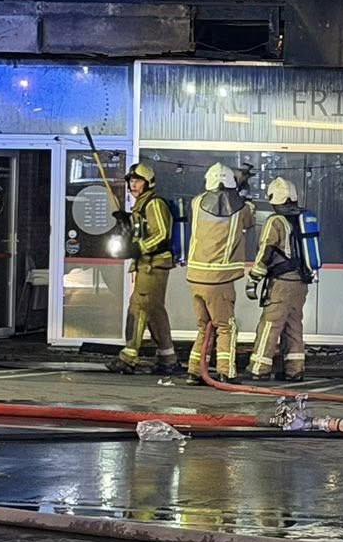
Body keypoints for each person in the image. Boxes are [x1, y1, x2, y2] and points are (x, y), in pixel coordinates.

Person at [185, 162, 254, 382]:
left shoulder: (196, 203)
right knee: (226, 326)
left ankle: (194, 371)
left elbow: (218, 202)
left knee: (204, 326)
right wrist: (242, 191)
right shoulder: (241, 208)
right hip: (220, 279)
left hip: (196, 276)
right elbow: (248, 220)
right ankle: (226, 372)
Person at [109, 162, 177, 374]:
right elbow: (142, 231)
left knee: (138, 307)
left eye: (138, 180)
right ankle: (168, 358)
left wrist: (138, 248)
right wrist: (126, 223)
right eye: (131, 180)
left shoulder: (154, 204)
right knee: (155, 312)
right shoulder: (140, 206)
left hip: (153, 265)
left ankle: (128, 357)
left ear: (149, 183)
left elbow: (162, 233)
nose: (133, 184)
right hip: (147, 264)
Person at [247, 176, 312, 382]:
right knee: (294, 324)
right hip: (301, 282)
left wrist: (254, 279)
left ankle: (259, 368)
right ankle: (295, 369)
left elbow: (265, 251)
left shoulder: (275, 221)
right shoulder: (303, 219)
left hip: (281, 282)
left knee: (270, 324)